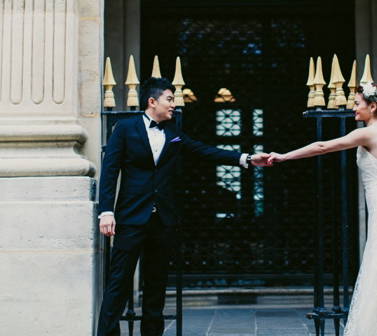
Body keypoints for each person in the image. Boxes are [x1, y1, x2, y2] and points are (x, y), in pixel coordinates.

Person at [97, 77, 269, 336]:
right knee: (118, 283)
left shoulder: (173, 133)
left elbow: (204, 151)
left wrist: (245, 158)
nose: (174, 105)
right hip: (131, 218)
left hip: (163, 220)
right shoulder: (124, 128)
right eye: (170, 99)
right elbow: (110, 172)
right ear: (151, 101)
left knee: (156, 286)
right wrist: (106, 211)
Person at [266, 82, 377, 336]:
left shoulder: (369, 132)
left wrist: (285, 156)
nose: (352, 108)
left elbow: (322, 146)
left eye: (357, 104)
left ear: (372, 106)